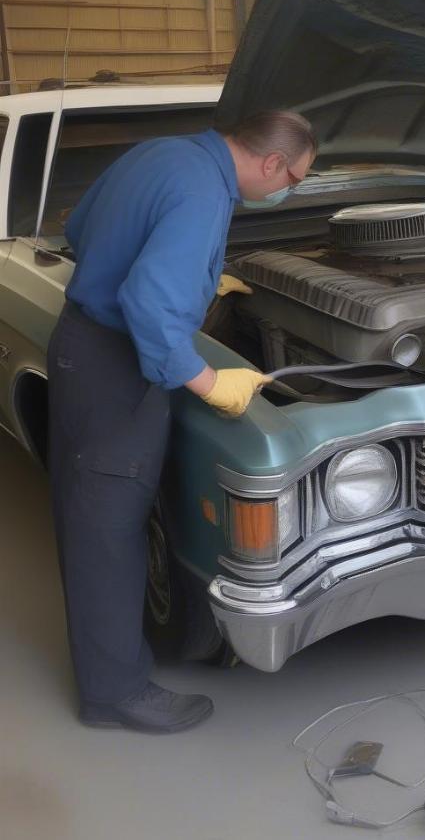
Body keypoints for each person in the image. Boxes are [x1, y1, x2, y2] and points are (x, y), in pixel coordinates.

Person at [48, 110, 317, 733]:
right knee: (109, 531)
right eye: (295, 180)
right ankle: (115, 694)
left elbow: (81, 228)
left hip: (83, 347)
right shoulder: (201, 191)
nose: (288, 191)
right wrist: (209, 381)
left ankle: (106, 674)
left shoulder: (163, 154)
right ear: (272, 163)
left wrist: (193, 272)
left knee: (89, 515)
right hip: (117, 367)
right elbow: (148, 304)